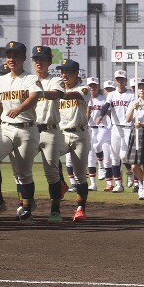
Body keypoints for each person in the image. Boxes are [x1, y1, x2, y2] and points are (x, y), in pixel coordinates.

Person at [0, 41, 42, 225]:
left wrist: (19, 108)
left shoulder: (30, 79)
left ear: (23, 58)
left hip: (26, 129)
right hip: (5, 128)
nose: (11, 59)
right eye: (9, 55)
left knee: (23, 174)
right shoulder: (1, 80)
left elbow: (34, 97)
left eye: (16, 55)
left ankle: (26, 210)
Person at [31, 45, 67, 224]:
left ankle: (55, 209)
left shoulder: (55, 80)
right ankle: (27, 203)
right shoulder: (27, 79)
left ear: (49, 62)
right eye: (36, 59)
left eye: (42, 59)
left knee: (51, 172)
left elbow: (57, 94)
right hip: (30, 129)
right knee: (20, 169)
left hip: (50, 131)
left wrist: (39, 93)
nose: (39, 62)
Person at [57, 59, 91, 221]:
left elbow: (75, 95)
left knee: (79, 176)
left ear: (77, 73)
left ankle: (80, 208)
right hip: (62, 133)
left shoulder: (83, 88)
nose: (64, 74)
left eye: (68, 71)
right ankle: (62, 183)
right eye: (62, 71)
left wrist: (57, 93)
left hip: (79, 135)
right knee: (49, 155)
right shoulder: (57, 89)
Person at [97, 70, 135, 193]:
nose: (119, 81)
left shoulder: (131, 95)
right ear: (115, 81)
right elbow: (106, 106)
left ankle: (129, 171)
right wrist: (101, 115)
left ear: (126, 80)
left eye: (122, 79)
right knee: (114, 157)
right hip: (115, 127)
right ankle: (118, 184)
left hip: (128, 127)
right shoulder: (111, 94)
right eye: (117, 79)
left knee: (124, 156)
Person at [86, 77, 111, 192]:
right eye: (90, 86)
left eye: (94, 85)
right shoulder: (86, 99)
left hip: (103, 127)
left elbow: (109, 113)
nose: (92, 88)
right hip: (91, 128)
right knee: (90, 158)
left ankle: (101, 166)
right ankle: (93, 184)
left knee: (97, 146)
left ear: (98, 87)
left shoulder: (103, 99)